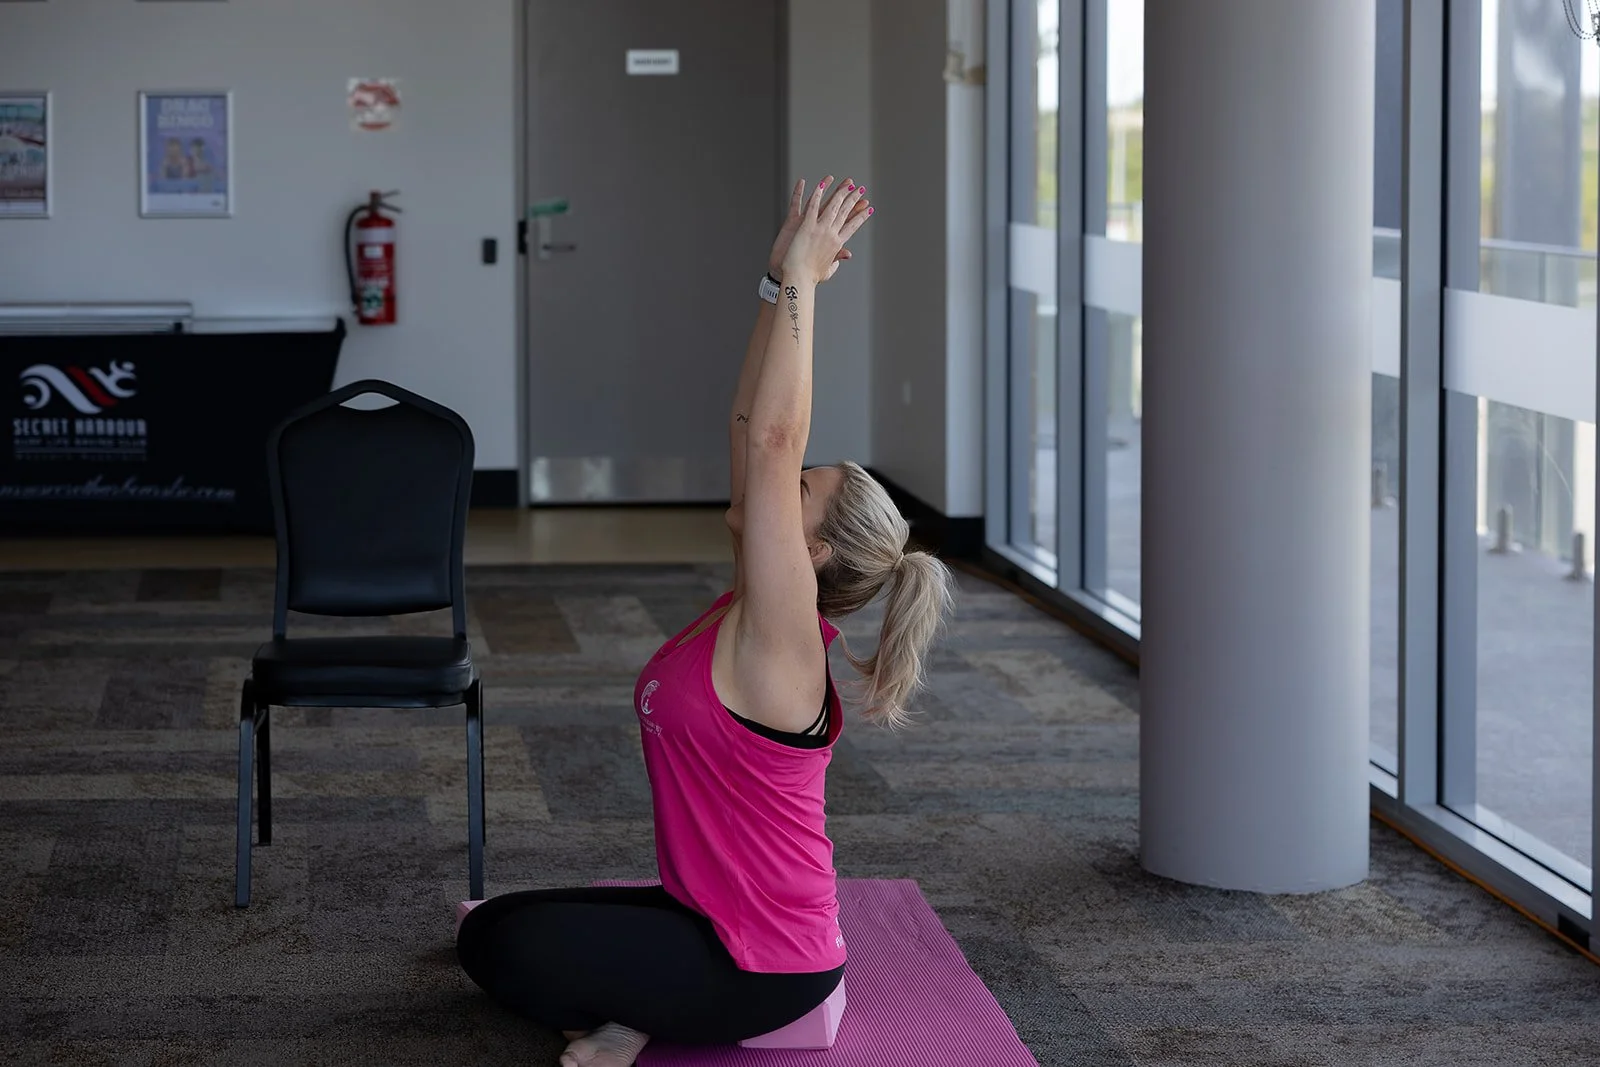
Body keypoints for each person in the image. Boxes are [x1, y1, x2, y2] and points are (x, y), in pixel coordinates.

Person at [456, 175, 956, 1067]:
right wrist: (775, 287)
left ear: (814, 556)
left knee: (494, 949)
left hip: (763, 966)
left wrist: (807, 281)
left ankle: (655, 1018)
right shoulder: (753, 604)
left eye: (797, 492)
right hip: (715, 915)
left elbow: (774, 441)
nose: (769, 484)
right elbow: (748, 429)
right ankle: (643, 1005)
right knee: (506, 919)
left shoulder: (786, 636)